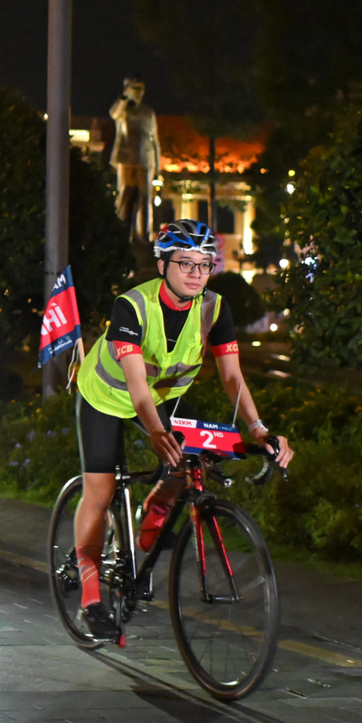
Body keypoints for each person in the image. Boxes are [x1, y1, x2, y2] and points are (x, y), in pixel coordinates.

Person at [71, 219, 294, 640]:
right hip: (106, 395)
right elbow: (136, 385)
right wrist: (158, 434)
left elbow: (232, 377)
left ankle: (154, 511)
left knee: (199, 454)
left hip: (162, 396)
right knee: (99, 492)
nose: (195, 273)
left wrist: (259, 429)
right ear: (162, 265)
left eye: (204, 264)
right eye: (184, 263)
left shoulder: (215, 307)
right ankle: (90, 599)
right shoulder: (131, 306)